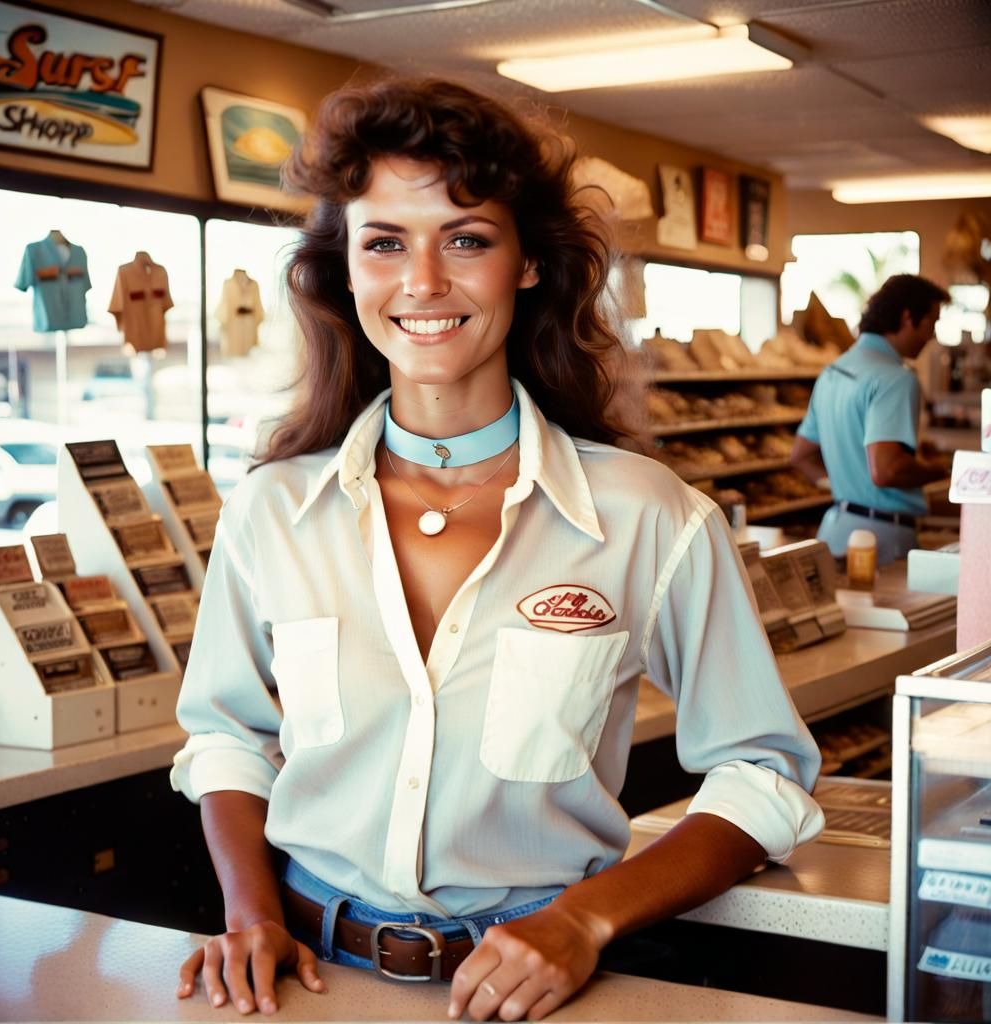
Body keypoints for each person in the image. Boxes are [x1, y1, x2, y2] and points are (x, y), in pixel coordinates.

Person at [171, 77, 824, 1020]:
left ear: (526, 264)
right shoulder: (273, 510)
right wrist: (248, 911)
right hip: (309, 979)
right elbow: (228, 738)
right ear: (344, 269)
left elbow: (763, 773)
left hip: (547, 989)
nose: (423, 283)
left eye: (466, 239)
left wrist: (586, 922)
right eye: (385, 243)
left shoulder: (649, 517)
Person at [790, 274, 950, 565]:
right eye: (932, 323)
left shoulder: (832, 373)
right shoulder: (897, 379)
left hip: (836, 530)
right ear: (907, 317)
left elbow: (800, 456)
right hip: (882, 539)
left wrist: (846, 485)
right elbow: (886, 471)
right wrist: (940, 470)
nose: (932, 336)